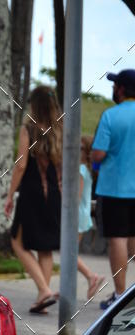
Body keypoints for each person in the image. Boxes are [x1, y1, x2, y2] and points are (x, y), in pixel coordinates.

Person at [4, 86, 62, 314]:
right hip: (54, 192)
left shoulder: (28, 128)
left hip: (32, 191)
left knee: (17, 242)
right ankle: (42, 298)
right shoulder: (60, 128)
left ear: (34, 105)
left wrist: (10, 195)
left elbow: (20, 165)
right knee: (45, 247)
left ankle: (44, 290)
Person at [92, 69, 135, 309]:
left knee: (117, 238)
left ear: (120, 89)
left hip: (114, 188)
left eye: (114, 85)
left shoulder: (110, 116)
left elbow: (98, 153)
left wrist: (94, 161)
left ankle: (120, 294)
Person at [76, 135, 103, 300]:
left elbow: (76, 197)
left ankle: (91, 276)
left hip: (77, 215)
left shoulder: (80, 170)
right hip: (82, 214)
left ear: (86, 152)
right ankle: (90, 277)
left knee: (69, 254)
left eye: (79, 148)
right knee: (70, 253)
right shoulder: (86, 169)